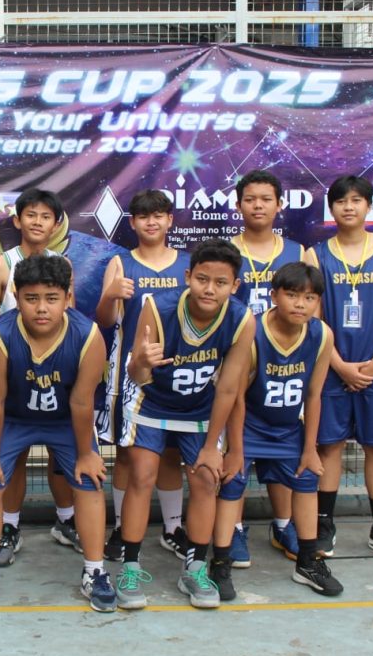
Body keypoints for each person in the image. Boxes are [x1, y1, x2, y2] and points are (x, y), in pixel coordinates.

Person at [0, 255, 114, 613]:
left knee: (89, 479)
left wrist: (87, 454)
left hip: (65, 418)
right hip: (13, 417)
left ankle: (95, 571)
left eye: (51, 298)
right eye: (31, 298)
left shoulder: (88, 336)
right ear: (16, 296)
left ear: (67, 297)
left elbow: (81, 401)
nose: (42, 308)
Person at [116, 238, 255, 610]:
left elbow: (229, 388)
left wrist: (213, 447)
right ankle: (130, 567)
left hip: (199, 409)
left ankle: (194, 567)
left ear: (234, 286)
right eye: (203, 279)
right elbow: (135, 374)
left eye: (220, 282)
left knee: (206, 479)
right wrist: (141, 361)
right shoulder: (156, 307)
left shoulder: (242, 319)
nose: (210, 289)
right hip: (151, 401)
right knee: (142, 475)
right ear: (188, 276)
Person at [210, 262, 343, 600]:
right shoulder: (253, 332)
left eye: (309, 298)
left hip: (287, 428)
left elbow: (314, 395)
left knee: (307, 478)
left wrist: (310, 448)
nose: (300, 304)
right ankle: (220, 563)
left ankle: (308, 562)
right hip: (248, 425)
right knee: (232, 482)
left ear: (318, 302)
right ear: (274, 296)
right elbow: (236, 396)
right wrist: (236, 450)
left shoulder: (322, 335)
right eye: (292, 295)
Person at [306, 175, 373, 564]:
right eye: (341, 201)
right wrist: (338, 364)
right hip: (331, 366)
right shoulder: (316, 255)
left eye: (356, 200)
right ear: (331, 208)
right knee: (329, 446)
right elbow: (312, 318)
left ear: (368, 205)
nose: (348, 207)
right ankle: (324, 523)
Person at [0, 188, 80, 566]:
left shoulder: (62, 265)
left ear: (56, 224)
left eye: (45, 216)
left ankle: (66, 521)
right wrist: (5, 371)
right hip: (12, 377)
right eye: (31, 215)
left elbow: (72, 323)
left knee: (61, 451)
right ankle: (9, 526)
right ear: (17, 220)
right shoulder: (0, 266)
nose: (38, 222)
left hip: (54, 376)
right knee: (13, 454)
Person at [94, 189, 190, 562]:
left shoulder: (187, 264)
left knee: (170, 454)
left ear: (170, 220)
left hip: (175, 372)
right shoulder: (120, 264)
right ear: (132, 223)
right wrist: (110, 295)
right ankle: (122, 528)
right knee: (126, 453)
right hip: (129, 375)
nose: (152, 222)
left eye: (158, 215)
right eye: (144, 216)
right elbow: (105, 321)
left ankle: (173, 527)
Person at [228, 170, 307, 567]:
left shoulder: (298, 251)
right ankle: (234, 528)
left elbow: (311, 308)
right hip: (238, 363)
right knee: (236, 450)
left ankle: (283, 524)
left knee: (282, 451)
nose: (257, 205)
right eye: (250, 199)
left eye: (265, 198)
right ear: (238, 204)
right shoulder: (226, 250)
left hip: (283, 365)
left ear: (279, 204)